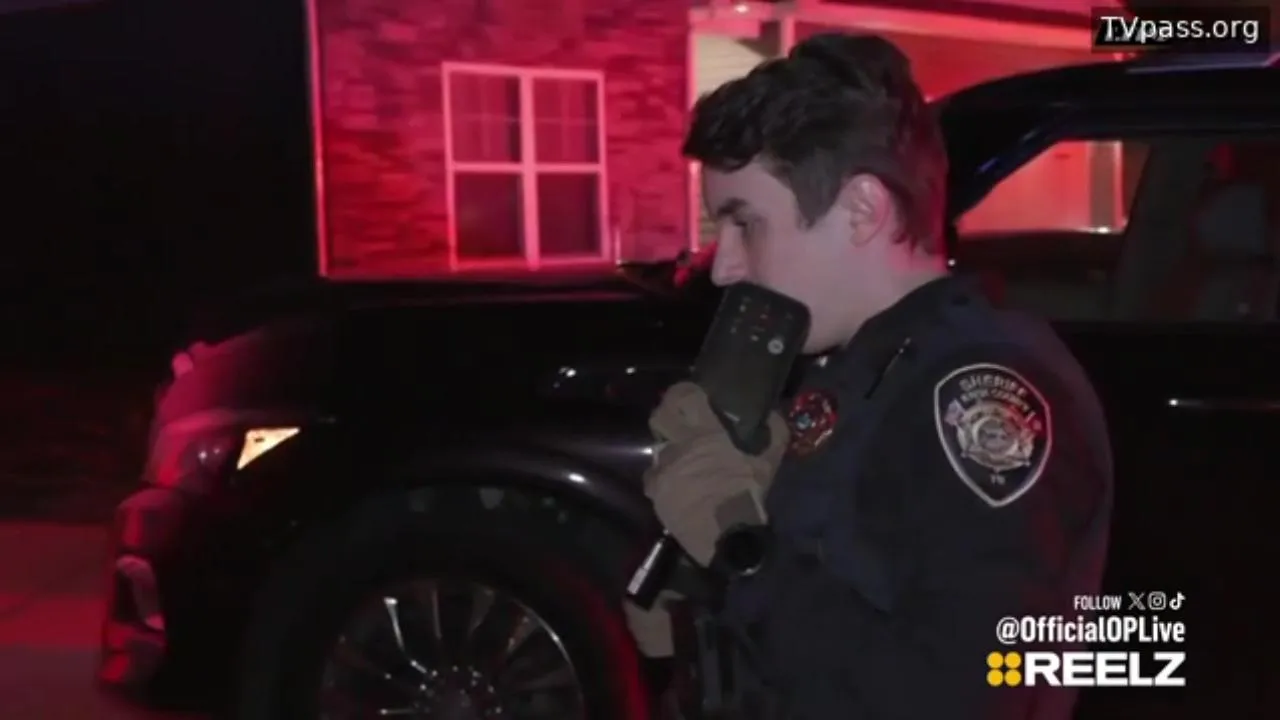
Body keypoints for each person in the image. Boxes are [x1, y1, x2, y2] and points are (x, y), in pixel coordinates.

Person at [635, 33, 1114, 719]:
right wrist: (699, 596)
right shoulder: (854, 364)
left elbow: (956, 697)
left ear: (861, 210)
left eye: (747, 225)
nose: (724, 267)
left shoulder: (975, 394)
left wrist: (738, 547)